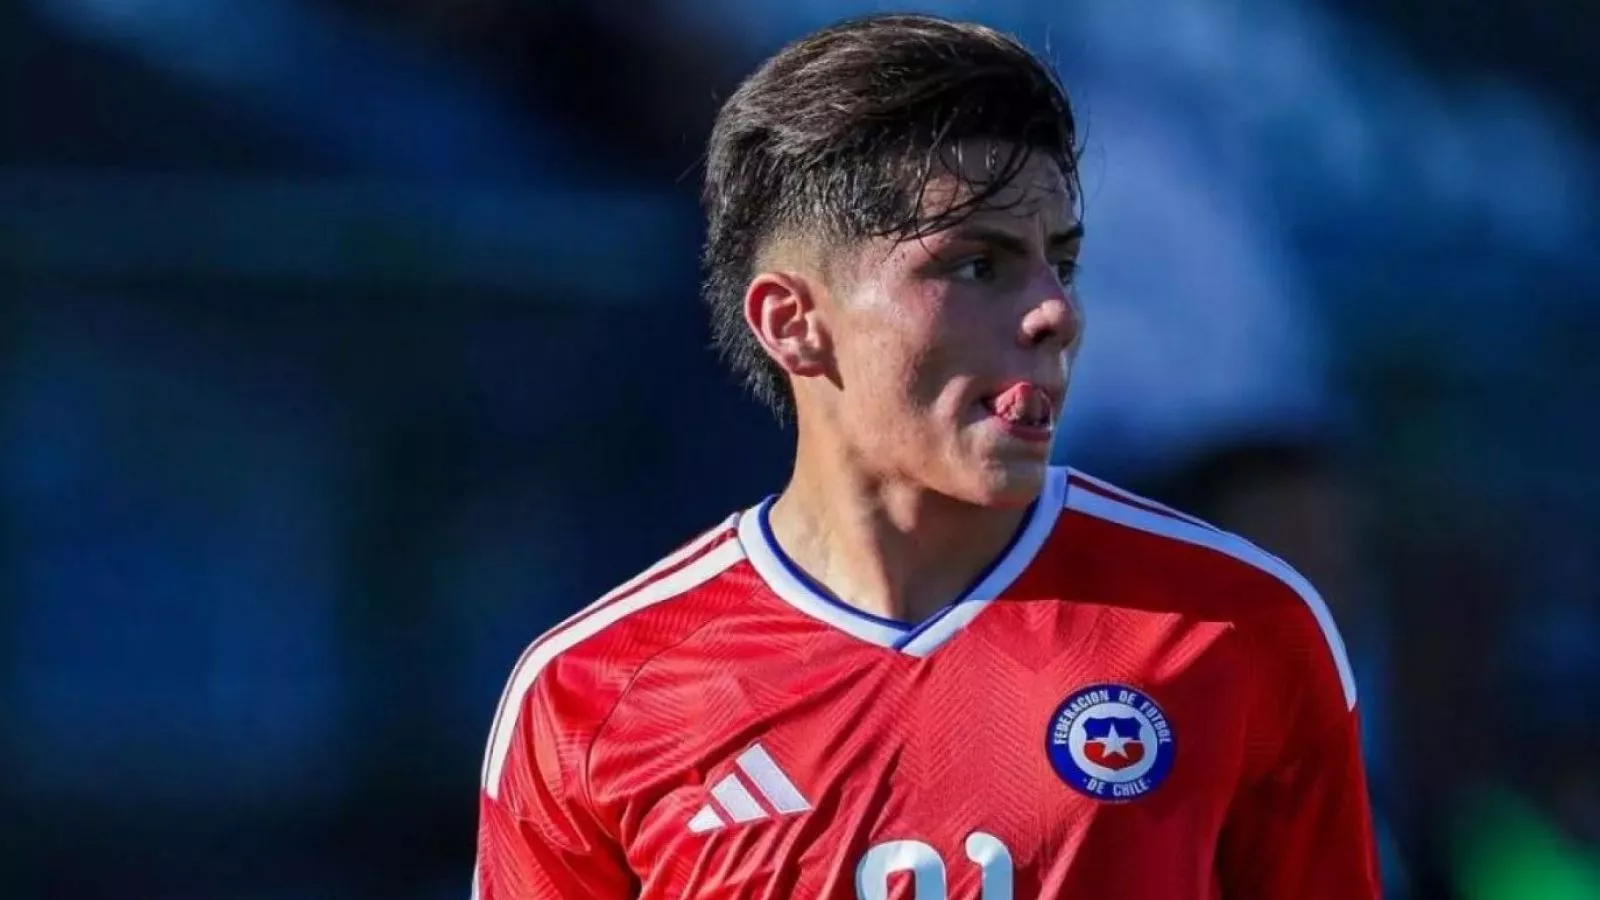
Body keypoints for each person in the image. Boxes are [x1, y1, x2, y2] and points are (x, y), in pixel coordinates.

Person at [474, 13, 1381, 899]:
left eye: (1061, 264)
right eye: (978, 266)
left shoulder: (1236, 628)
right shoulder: (592, 691)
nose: (1055, 313)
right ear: (794, 322)